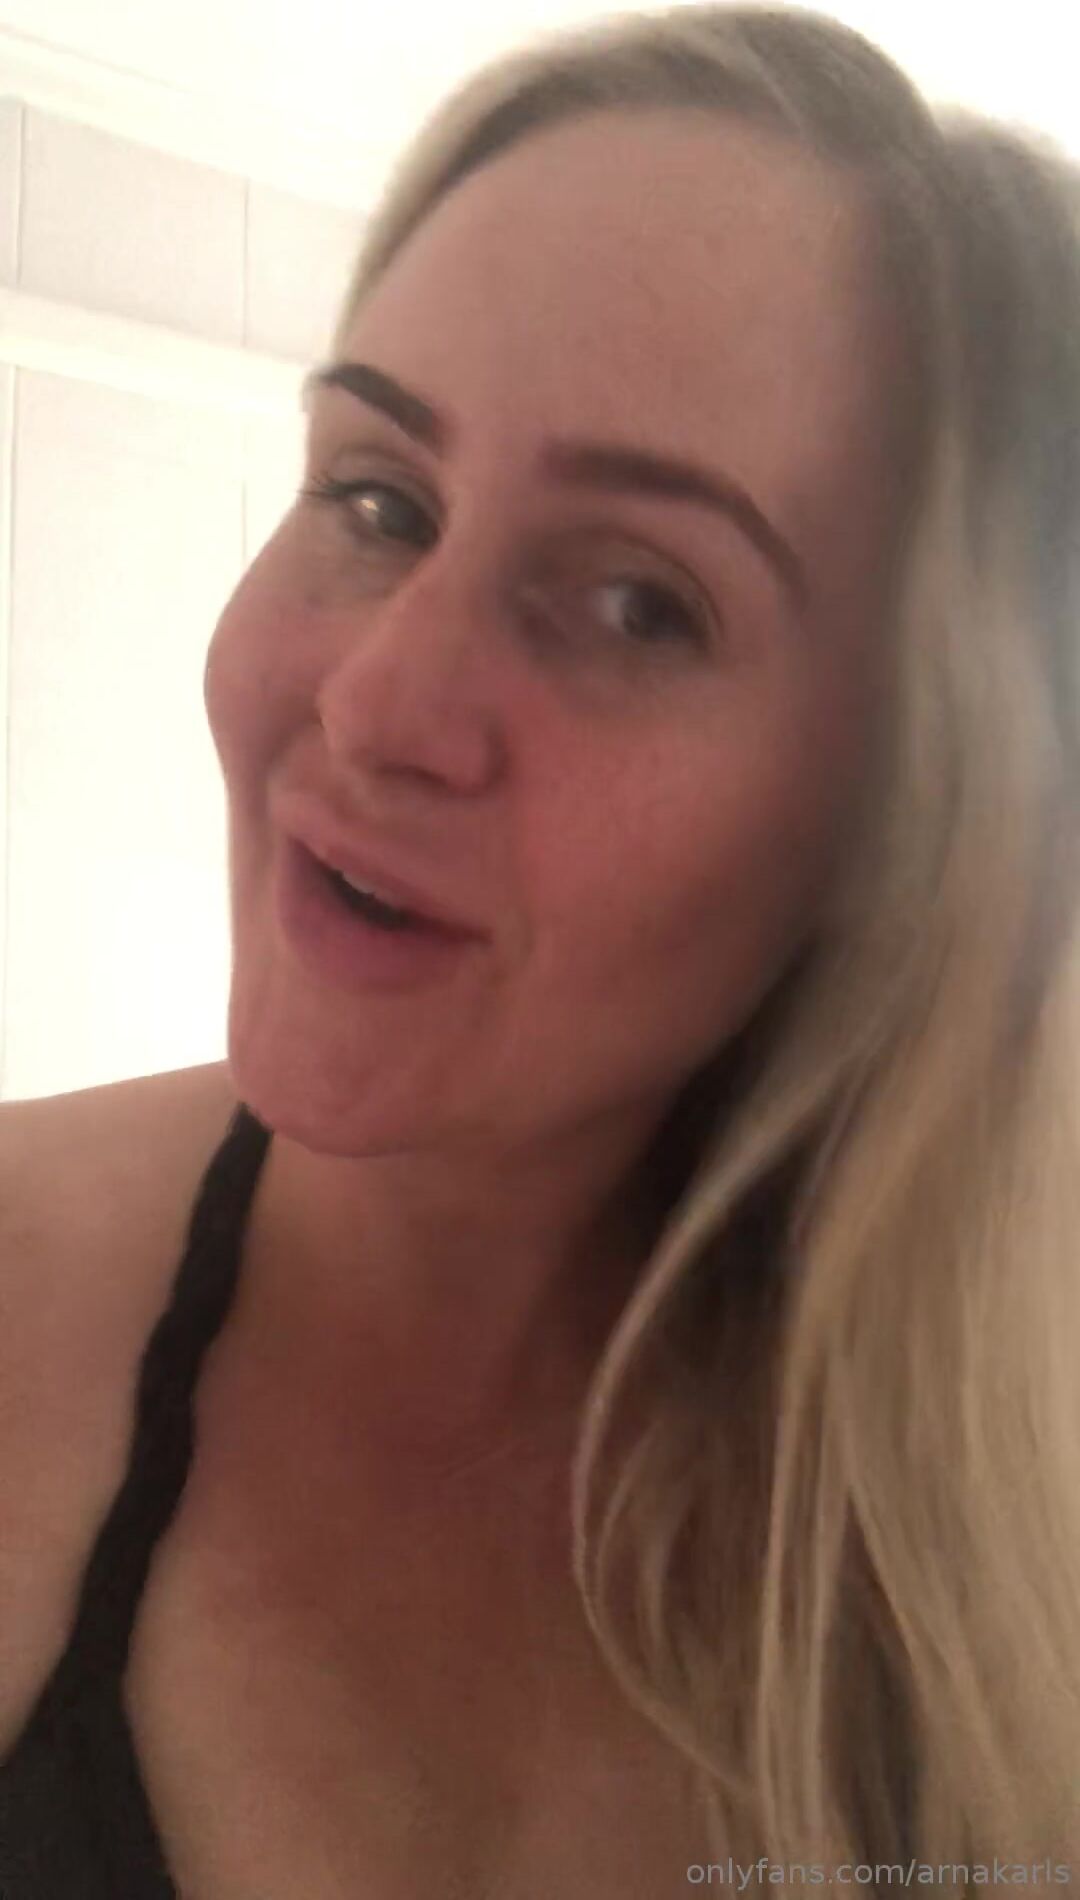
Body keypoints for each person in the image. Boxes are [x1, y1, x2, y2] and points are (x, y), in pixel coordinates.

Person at [1, 3, 1079, 1893]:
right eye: (376, 498)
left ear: (901, 826)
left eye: (639, 603)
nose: (375, 701)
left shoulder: (1011, 1560)